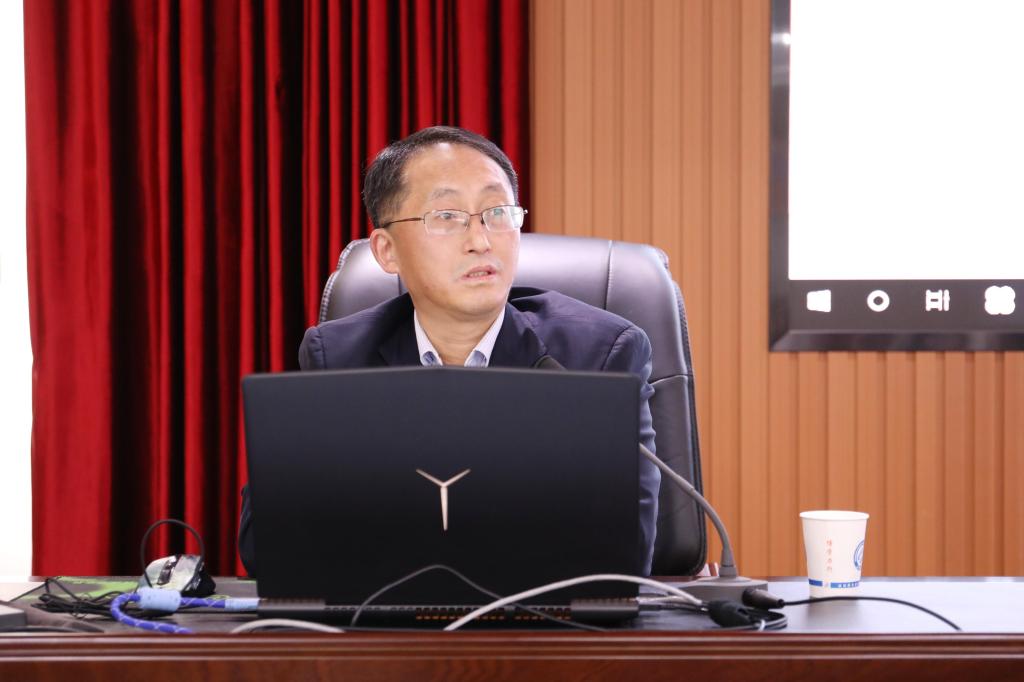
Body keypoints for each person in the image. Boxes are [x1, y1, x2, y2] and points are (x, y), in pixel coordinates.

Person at [238, 126, 661, 575]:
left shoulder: (598, 357)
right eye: (447, 216)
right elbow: (267, 545)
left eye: (496, 212)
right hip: (387, 616)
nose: (481, 240)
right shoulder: (340, 357)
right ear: (387, 250)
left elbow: (627, 551)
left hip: (543, 617)